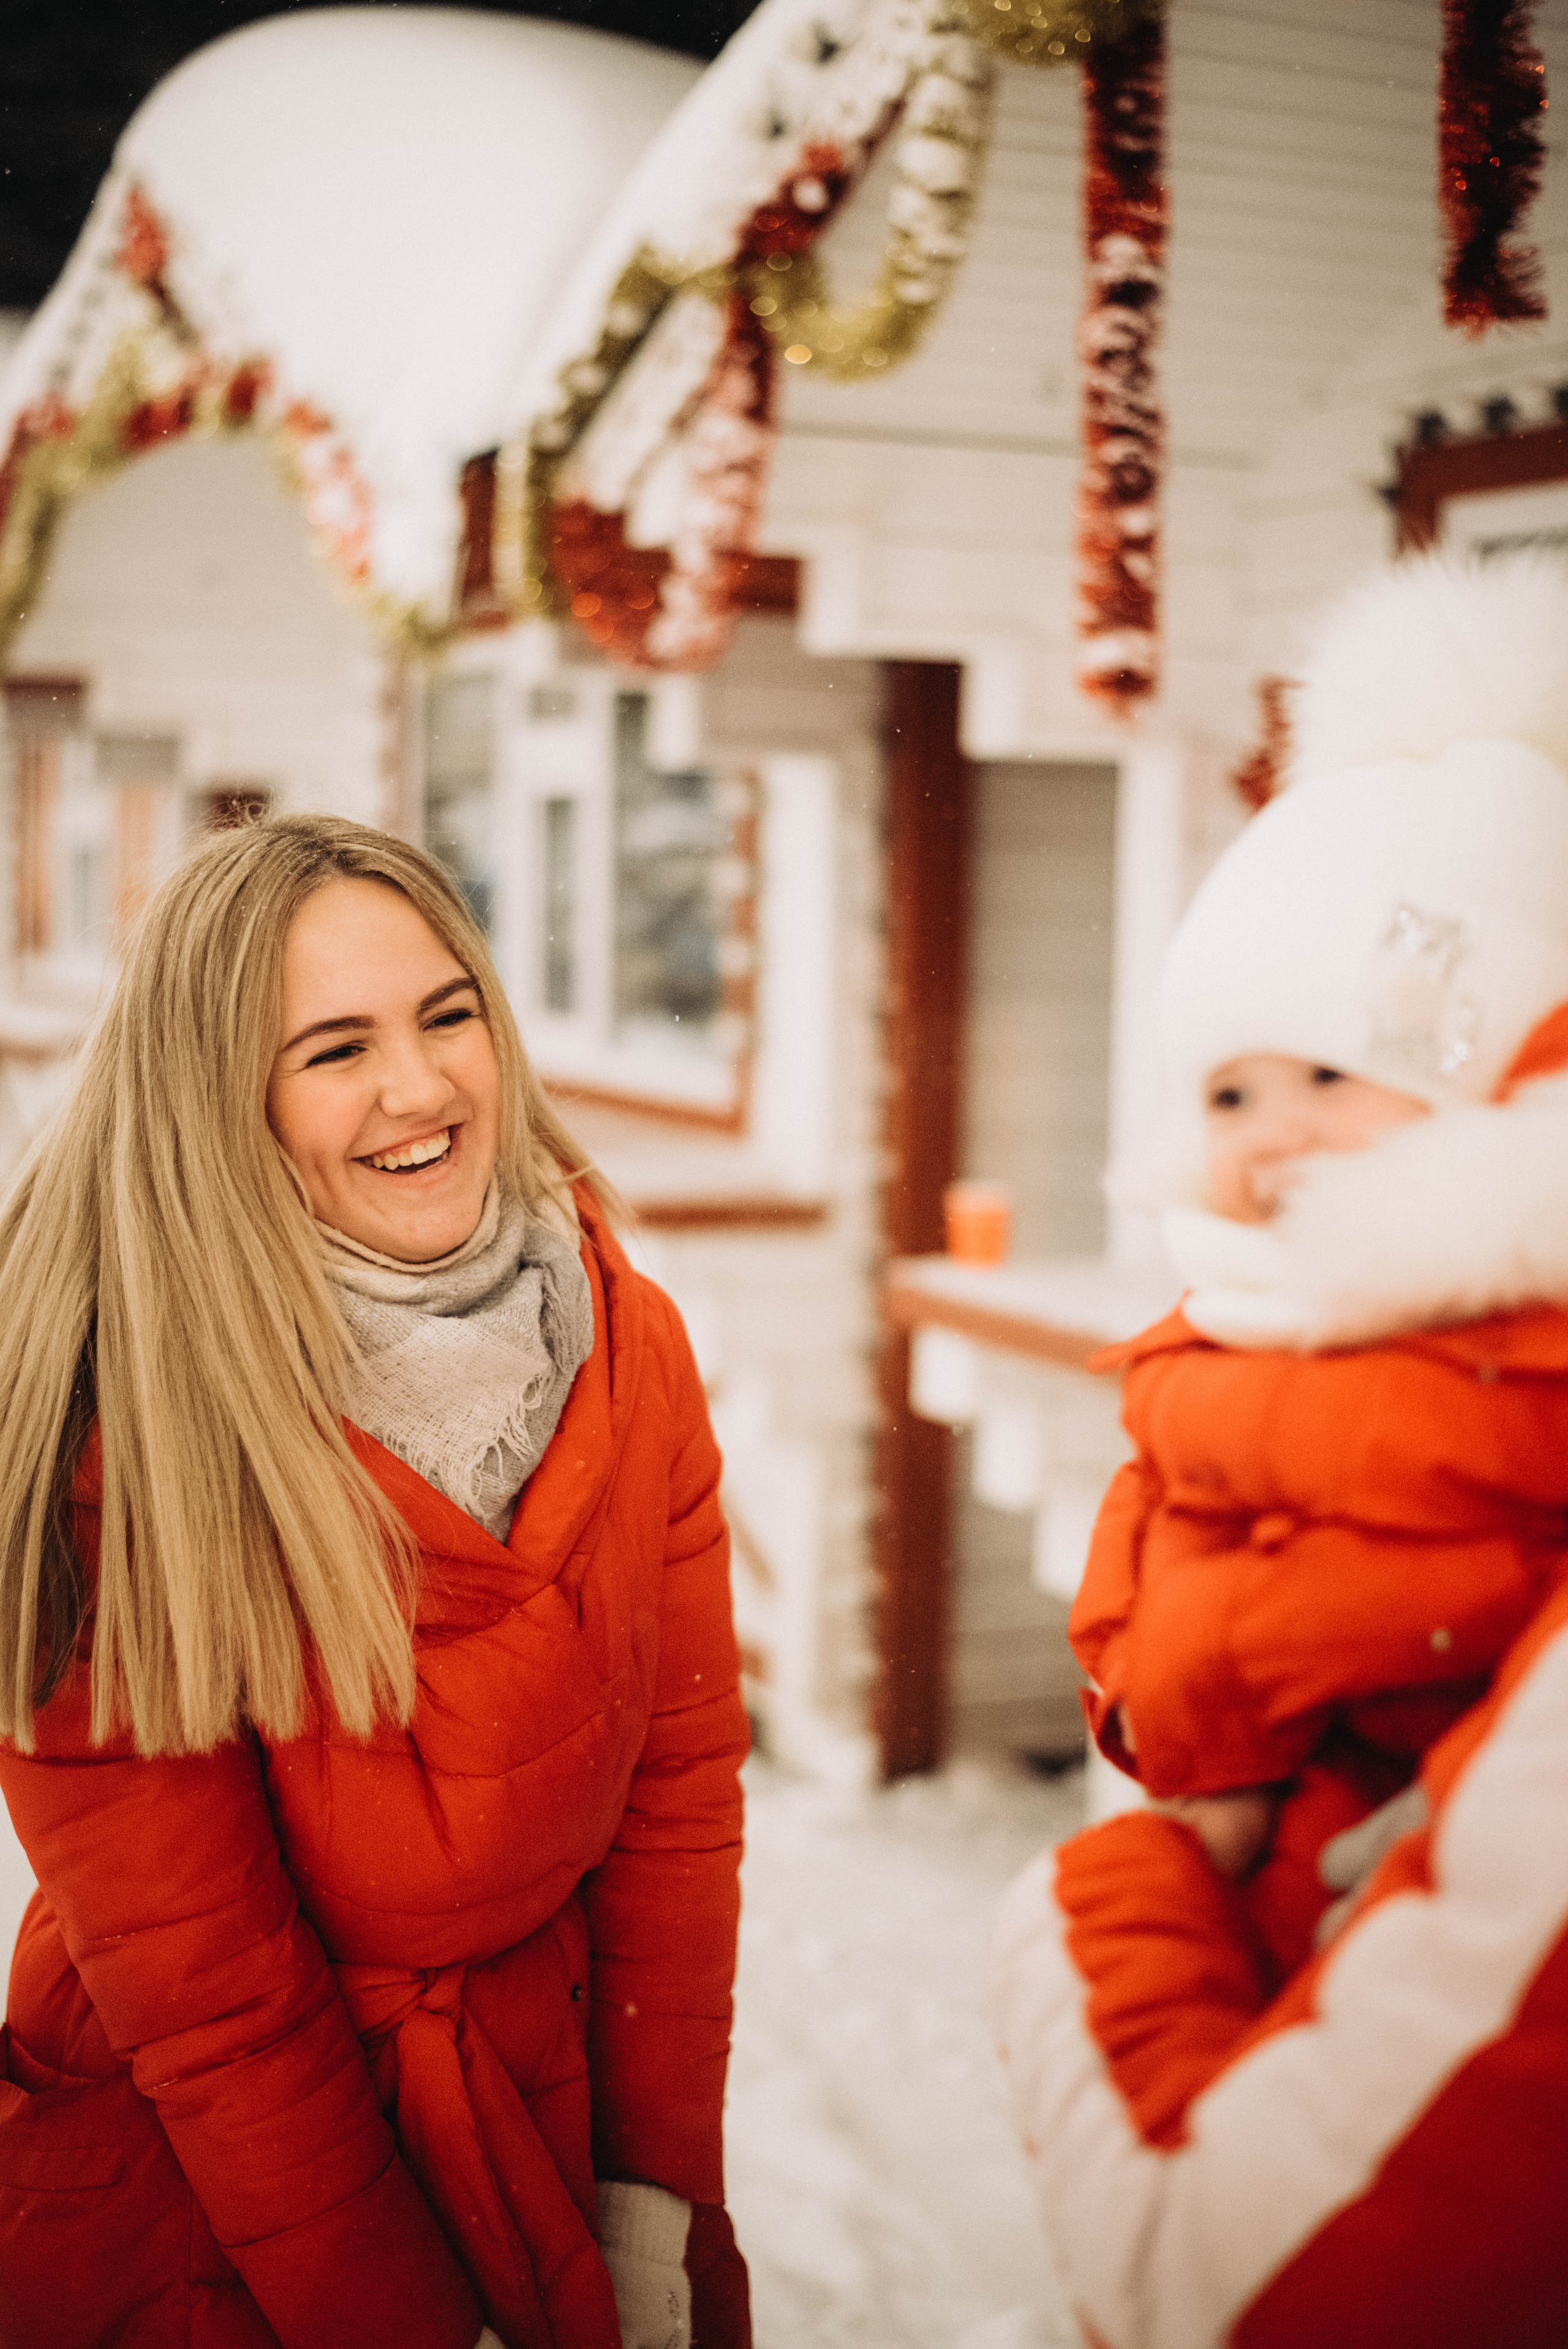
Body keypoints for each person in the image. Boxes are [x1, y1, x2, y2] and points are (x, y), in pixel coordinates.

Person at [0, 815, 752, 2349]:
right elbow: (217, 2003)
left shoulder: (622, 1336)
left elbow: (680, 1797)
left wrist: (651, 2208)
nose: (420, 1089)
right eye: (333, 1049)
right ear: (225, 1106)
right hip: (221, 2197)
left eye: (447, 1013)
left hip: (543, 2112)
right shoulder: (118, 1432)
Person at [990, 553, 1568, 2345]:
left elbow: (1237, 2270)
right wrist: (1169, 1704)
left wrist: (1123, 1879)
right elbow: (1140, 1625)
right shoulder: (1202, 1354)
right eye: (1232, 1090)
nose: (1279, 1134)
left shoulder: (1509, 1368)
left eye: (1349, 1072)